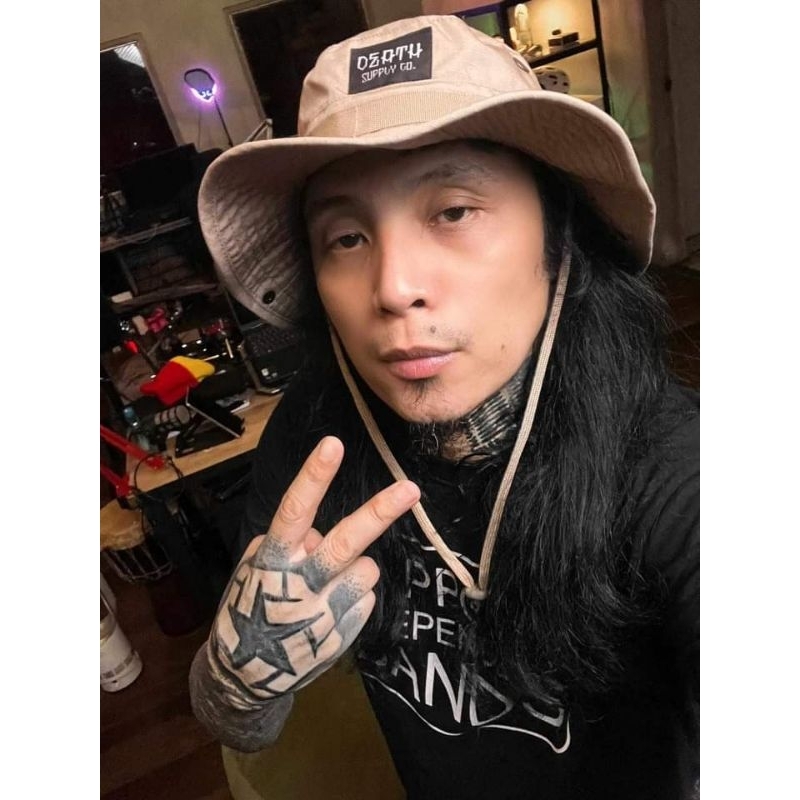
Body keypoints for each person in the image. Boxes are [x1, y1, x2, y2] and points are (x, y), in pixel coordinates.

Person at [189, 15, 699, 800]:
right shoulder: (314, 441)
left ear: (558, 235)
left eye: (453, 211)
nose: (394, 287)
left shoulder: (675, 473)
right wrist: (238, 681)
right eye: (346, 238)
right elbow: (237, 722)